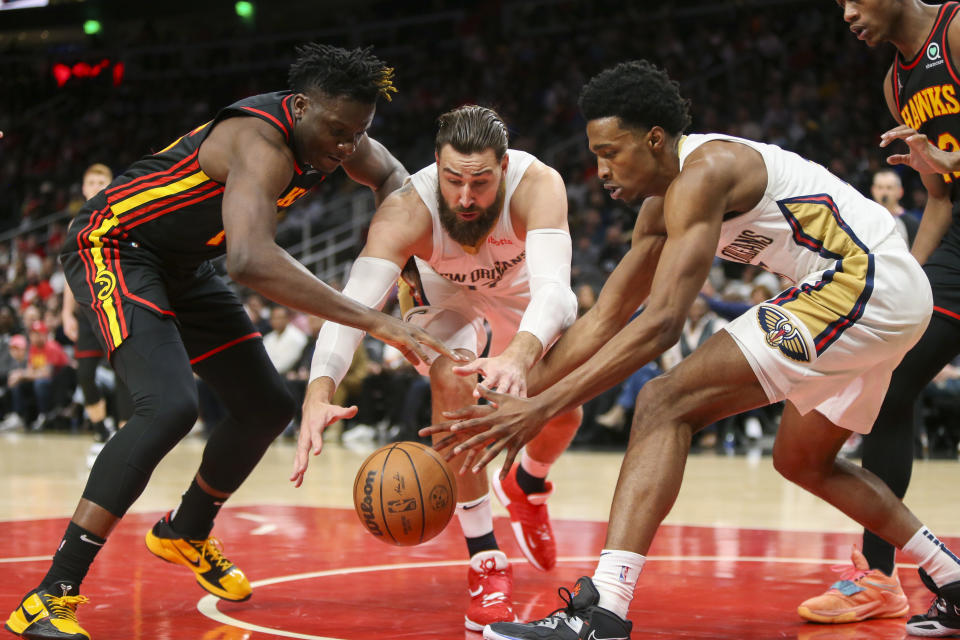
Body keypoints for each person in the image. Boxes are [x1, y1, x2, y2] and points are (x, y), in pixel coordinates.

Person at [424, 60, 960, 640]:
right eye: (595, 155)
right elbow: (605, 316)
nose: (600, 170)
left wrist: (542, 408)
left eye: (611, 152)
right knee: (802, 462)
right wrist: (521, 382)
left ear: (655, 138)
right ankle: (952, 578)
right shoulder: (659, 210)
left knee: (663, 401)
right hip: (878, 296)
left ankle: (603, 611)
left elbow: (661, 327)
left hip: (863, 282)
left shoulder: (706, 171)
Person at [3, 43, 459, 640]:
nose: (347, 147)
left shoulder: (343, 137)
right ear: (299, 106)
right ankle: (50, 594)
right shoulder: (258, 142)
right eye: (339, 131)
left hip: (187, 265)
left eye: (359, 134)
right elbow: (250, 260)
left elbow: (396, 180)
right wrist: (374, 320)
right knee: (168, 407)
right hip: (116, 247)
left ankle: (185, 531)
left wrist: (406, 272)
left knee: (267, 406)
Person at [295, 105, 582, 631]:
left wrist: (519, 356)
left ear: (504, 165)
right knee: (453, 373)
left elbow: (557, 295)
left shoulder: (537, 184)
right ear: (435, 166)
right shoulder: (407, 210)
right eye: (453, 180)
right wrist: (319, 387)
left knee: (564, 411)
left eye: (480, 181)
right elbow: (353, 305)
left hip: (525, 294)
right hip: (449, 297)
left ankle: (528, 484)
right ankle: (484, 557)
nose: (466, 197)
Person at [790, 0, 960, 630]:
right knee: (894, 380)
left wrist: (953, 163)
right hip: (958, 240)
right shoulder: (897, 83)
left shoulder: (956, 29)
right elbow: (939, 200)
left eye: (856, 0)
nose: (847, 14)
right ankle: (879, 575)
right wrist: (903, 281)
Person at [61, 163, 133, 461]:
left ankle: (126, 440)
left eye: (101, 180)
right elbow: (70, 272)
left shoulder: (124, 215)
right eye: (91, 181)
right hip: (87, 310)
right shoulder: (75, 223)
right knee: (86, 376)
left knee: (124, 375)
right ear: (83, 188)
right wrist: (67, 313)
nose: (96, 185)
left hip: (116, 305)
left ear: (111, 184)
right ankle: (101, 433)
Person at [871, 168, 919, 247]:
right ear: (873, 190)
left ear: (900, 191)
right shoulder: (866, 218)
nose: (884, 192)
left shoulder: (911, 223)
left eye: (889, 188)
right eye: (880, 187)